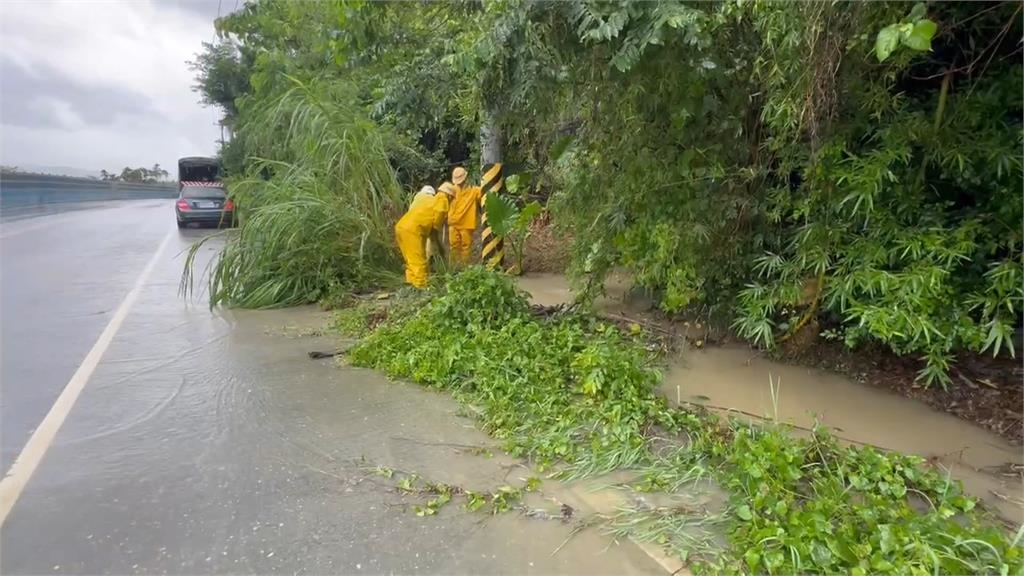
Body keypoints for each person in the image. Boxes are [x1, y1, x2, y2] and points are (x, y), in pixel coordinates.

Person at [395, 183, 455, 288]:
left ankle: (411, 284)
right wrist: (437, 225)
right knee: (419, 261)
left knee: (411, 261)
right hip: (413, 231)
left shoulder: (423, 200)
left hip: (401, 227)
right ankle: (421, 288)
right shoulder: (442, 198)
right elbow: (440, 212)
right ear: (449, 195)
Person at [447, 166, 482, 266]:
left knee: (466, 247)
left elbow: (484, 195)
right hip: (453, 223)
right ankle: (453, 267)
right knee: (453, 246)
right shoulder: (452, 190)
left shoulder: (474, 191)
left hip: (466, 224)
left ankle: (464, 268)